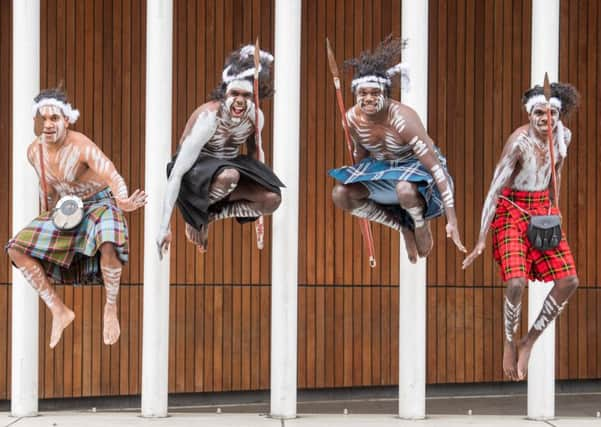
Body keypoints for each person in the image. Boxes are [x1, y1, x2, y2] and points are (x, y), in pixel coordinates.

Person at [7, 86, 147, 348]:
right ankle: (58, 310)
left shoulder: (81, 146)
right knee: (16, 249)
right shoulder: (33, 152)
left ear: (67, 120)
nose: (48, 125)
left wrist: (123, 200)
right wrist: (45, 221)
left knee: (109, 239)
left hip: (101, 203)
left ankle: (111, 306)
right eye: (43, 119)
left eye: (55, 119)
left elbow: (111, 174)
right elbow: (46, 189)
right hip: (67, 209)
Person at [462, 82, 580, 380]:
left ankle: (529, 341)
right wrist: (480, 238)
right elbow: (494, 188)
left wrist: (556, 209)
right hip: (512, 207)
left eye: (552, 113)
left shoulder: (563, 136)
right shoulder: (519, 142)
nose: (546, 119)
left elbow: (557, 174)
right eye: (540, 113)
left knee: (569, 280)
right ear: (530, 114)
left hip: (543, 209)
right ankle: (509, 341)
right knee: (515, 282)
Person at [329, 36, 465, 263]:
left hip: (416, 171)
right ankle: (401, 224)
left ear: (385, 93)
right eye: (363, 94)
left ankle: (419, 221)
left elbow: (436, 167)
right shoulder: (351, 119)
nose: (368, 98)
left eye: (374, 93)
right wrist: (355, 173)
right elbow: (361, 157)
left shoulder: (403, 119)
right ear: (356, 94)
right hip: (382, 168)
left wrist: (452, 219)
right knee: (341, 194)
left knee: (404, 189)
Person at [156, 45, 283, 257]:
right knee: (229, 176)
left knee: (272, 200)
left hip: (228, 172)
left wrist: (262, 184)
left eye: (246, 95)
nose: (240, 100)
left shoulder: (256, 117)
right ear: (224, 93)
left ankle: (209, 217)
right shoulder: (208, 118)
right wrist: (164, 226)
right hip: (195, 178)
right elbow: (177, 172)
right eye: (234, 93)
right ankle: (196, 216)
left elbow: (255, 157)